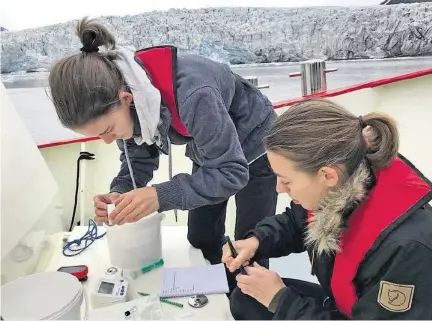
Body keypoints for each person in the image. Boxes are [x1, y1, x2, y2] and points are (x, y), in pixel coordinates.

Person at [48, 17, 278, 279]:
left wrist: (159, 196)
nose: (109, 141)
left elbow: (232, 172)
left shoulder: (194, 94)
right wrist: (118, 193)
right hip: (210, 145)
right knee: (200, 237)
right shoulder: (124, 92)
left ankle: (246, 297)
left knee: (249, 248)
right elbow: (138, 155)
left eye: (108, 131)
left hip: (256, 142)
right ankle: (219, 284)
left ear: (126, 99)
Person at [222, 98, 432, 319]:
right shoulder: (344, 176)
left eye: (286, 180)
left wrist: (280, 299)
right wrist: (256, 242)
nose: (279, 188)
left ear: (327, 175)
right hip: (354, 306)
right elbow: (296, 222)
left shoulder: (405, 247)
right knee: (246, 298)